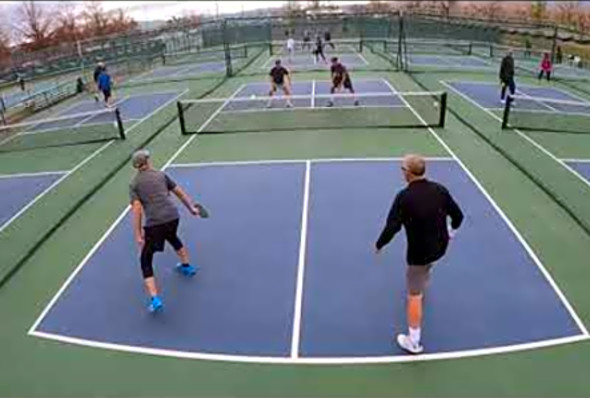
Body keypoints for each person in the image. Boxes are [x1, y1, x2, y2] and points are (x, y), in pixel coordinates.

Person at [375, 154, 464, 354]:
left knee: (414, 296)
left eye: (402, 168)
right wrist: (451, 233)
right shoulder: (440, 190)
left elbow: (392, 226)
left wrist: (380, 244)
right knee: (428, 266)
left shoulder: (404, 197)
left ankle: (413, 342)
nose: (401, 171)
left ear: (408, 173)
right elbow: (458, 216)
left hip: (419, 255)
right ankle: (424, 279)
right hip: (441, 247)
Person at [130, 149, 203, 313]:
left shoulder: (134, 184)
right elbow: (179, 192)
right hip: (173, 217)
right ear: (147, 161)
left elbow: (136, 210)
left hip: (155, 224)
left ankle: (155, 299)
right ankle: (187, 266)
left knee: (145, 259)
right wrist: (191, 208)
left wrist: (138, 234)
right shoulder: (161, 175)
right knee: (172, 236)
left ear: (136, 166)